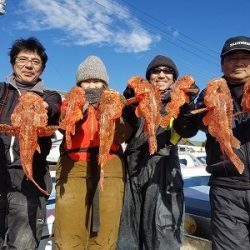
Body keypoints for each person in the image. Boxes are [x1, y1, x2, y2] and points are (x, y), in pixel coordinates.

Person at [117, 55, 199, 250]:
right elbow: (122, 131)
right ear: (149, 76)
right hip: (133, 169)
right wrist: (128, 104)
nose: (161, 74)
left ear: (173, 77)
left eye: (167, 71)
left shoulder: (180, 101)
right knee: (128, 230)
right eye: (156, 71)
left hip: (165, 168)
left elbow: (188, 131)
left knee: (163, 233)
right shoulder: (137, 99)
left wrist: (187, 110)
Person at [54, 55, 132, 250]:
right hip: (73, 166)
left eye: (97, 81)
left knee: (106, 232)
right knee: (70, 230)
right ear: (79, 83)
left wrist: (114, 117)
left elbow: (125, 134)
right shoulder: (70, 100)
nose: (92, 86)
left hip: (110, 165)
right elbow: (64, 127)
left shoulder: (117, 100)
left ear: (104, 84)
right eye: (87, 81)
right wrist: (79, 112)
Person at [0, 37, 62, 249]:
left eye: (35, 62)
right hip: (1, 173)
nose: (28, 65)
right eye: (22, 59)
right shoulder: (2, 92)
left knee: (23, 243)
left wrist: (42, 105)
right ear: (13, 63)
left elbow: (55, 109)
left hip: (30, 179)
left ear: (42, 69)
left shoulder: (50, 95)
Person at [195, 36, 250, 250]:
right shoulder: (211, 91)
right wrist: (190, 114)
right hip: (227, 190)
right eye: (232, 58)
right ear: (222, 64)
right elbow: (198, 123)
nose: (238, 62)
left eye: (245, 57)